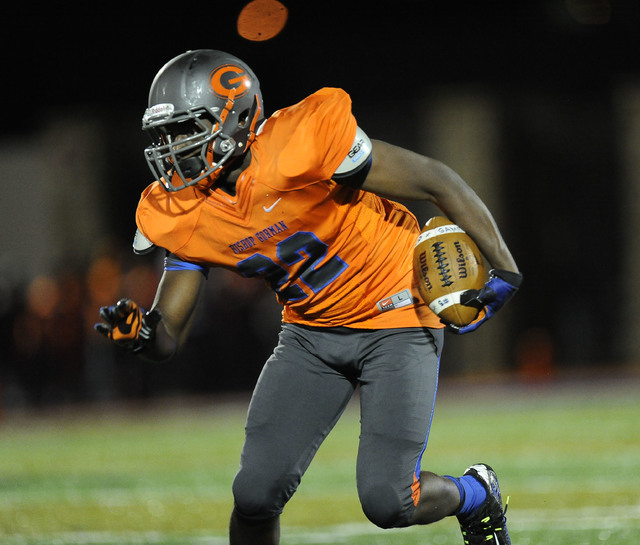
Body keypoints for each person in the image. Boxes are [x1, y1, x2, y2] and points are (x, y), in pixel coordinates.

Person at [95, 49, 522, 545]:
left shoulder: (301, 143)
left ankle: (476, 494)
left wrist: (505, 268)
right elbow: (166, 336)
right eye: (166, 136)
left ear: (235, 119)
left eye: (187, 129)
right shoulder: (184, 209)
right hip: (311, 334)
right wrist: (142, 334)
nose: (174, 149)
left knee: (390, 501)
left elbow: (435, 179)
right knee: (255, 493)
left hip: (397, 312)